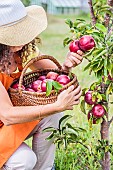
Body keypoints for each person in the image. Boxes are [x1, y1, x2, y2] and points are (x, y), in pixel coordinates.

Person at [0, 0, 83, 170]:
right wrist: (57, 105)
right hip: (7, 120)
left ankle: (45, 168)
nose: (21, 38)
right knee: (24, 160)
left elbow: (57, 75)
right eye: (14, 34)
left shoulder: (22, 51)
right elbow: (8, 115)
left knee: (52, 115)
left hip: (9, 124)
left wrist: (67, 66)